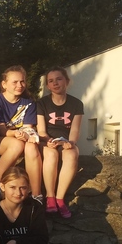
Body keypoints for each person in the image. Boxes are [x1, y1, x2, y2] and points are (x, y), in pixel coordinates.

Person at [0, 65, 42, 202]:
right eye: (15, 82)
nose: (19, 85)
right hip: (0, 139)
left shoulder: (29, 103)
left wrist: (26, 135)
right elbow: (2, 130)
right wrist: (17, 133)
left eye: (22, 81)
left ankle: (36, 195)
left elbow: (28, 128)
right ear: (4, 84)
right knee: (17, 145)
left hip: (20, 138)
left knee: (30, 146)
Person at [37, 67, 84, 219]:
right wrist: (47, 140)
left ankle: (60, 199)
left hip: (66, 142)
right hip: (47, 142)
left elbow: (75, 130)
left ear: (67, 81)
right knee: (51, 155)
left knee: (72, 155)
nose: (55, 83)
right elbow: (41, 130)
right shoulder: (42, 103)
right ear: (47, 85)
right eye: (51, 81)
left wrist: (71, 142)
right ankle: (50, 197)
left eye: (59, 79)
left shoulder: (76, 104)